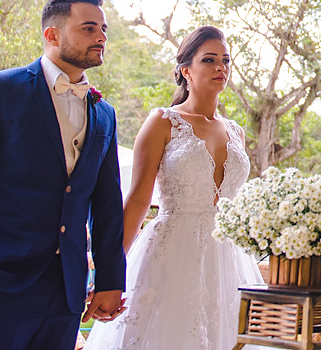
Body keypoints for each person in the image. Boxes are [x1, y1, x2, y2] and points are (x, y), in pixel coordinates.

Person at [0, 0, 126, 350]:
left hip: (66, 292)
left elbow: (107, 205)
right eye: (88, 28)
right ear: (51, 35)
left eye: (103, 29)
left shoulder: (105, 114)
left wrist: (110, 279)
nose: (101, 37)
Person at [85, 25, 262, 350]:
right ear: (185, 70)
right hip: (171, 254)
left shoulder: (236, 131)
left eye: (225, 60)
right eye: (209, 60)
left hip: (230, 260)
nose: (220, 67)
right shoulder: (162, 122)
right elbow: (138, 200)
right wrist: (108, 275)